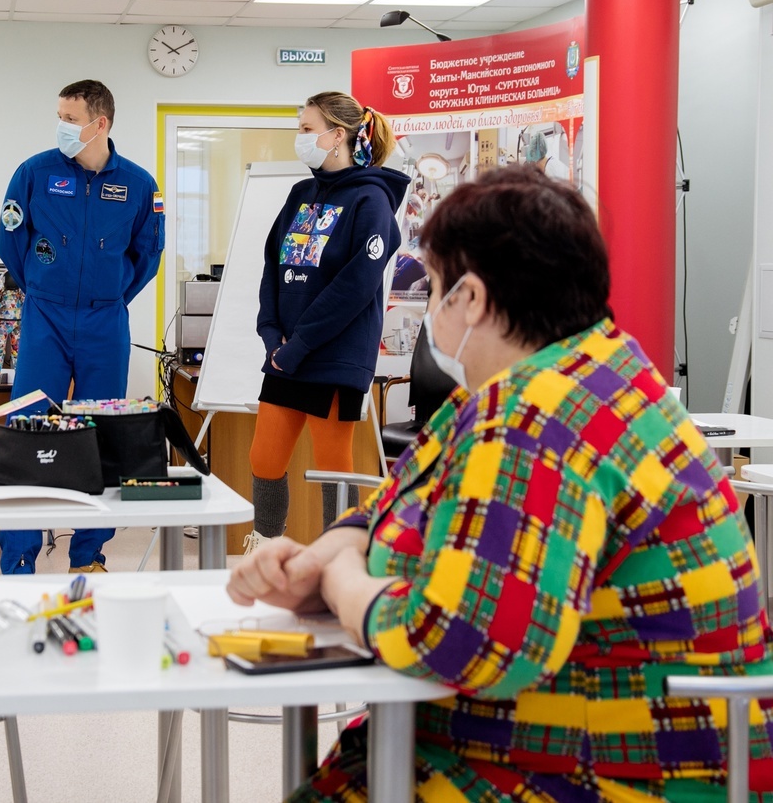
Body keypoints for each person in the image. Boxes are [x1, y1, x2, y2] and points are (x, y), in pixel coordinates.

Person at [228, 165, 773, 802]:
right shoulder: (572, 375)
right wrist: (317, 557)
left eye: (432, 289)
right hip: (560, 742)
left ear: (474, 299)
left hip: (605, 771)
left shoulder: (538, 415)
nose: (428, 310)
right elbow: (400, 496)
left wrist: (341, 582)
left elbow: (461, 641)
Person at [0, 79, 164, 574]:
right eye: (61, 117)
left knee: (103, 430)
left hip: (104, 319)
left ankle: (88, 554)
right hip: (45, 313)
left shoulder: (138, 184)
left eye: (70, 119)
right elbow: (11, 243)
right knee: (27, 428)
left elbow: (146, 255)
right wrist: (46, 290)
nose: (62, 127)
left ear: (100, 123)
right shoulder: (34, 173)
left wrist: (108, 297)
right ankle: (18, 556)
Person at [247, 92, 408, 552]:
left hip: (334, 356)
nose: (299, 138)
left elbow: (354, 288)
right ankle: (267, 546)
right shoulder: (301, 193)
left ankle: (334, 557)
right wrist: (272, 334)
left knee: (333, 466)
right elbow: (272, 267)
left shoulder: (372, 199)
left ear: (337, 135)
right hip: (286, 352)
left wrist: (300, 343)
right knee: (264, 457)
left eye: (305, 129)